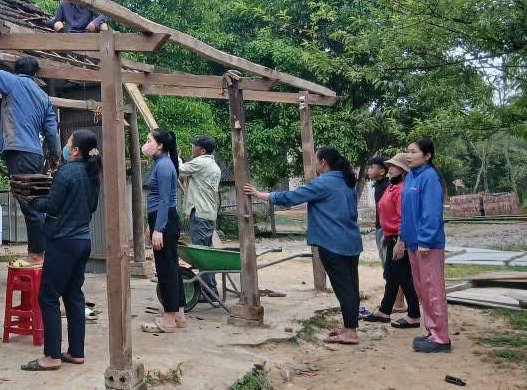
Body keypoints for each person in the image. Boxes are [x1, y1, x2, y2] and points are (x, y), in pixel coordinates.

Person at [245, 147, 363, 344]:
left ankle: (350, 333)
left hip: (332, 242)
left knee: (343, 288)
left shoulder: (323, 182)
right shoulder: (346, 181)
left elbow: (291, 197)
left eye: (316, 161)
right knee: (351, 285)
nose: (315, 165)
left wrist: (260, 194)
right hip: (351, 240)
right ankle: (349, 326)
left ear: (323, 163)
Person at [0, 50, 60, 264]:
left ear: (17, 70)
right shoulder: (44, 97)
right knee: (35, 201)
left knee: (28, 203)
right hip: (35, 154)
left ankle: (37, 254)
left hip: (19, 151)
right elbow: (52, 132)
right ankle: (41, 251)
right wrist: (54, 157)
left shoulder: (14, 82)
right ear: (35, 74)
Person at [21, 129, 101, 371]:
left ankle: (52, 356)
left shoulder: (66, 172)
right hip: (82, 241)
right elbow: (92, 206)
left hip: (62, 242)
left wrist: (32, 201)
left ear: (75, 150)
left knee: (47, 296)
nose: (65, 146)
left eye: (68, 143)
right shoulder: (92, 172)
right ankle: (76, 352)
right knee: (74, 295)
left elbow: (53, 206)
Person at [400, 138, 451, 353]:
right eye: (407, 151)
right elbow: (405, 212)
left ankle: (441, 338)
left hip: (427, 245)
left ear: (427, 155)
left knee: (433, 290)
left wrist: (426, 240)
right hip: (413, 243)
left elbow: (431, 213)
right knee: (422, 290)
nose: (408, 155)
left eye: (413, 152)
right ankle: (432, 332)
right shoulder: (410, 176)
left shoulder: (429, 177)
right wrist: (402, 238)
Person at [361, 153, 421, 328]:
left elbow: (405, 218)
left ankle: (414, 314)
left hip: (398, 237)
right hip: (390, 236)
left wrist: (400, 242)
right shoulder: (391, 187)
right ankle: (385, 310)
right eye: (390, 165)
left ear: (404, 170)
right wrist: (386, 237)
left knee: (404, 277)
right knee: (392, 276)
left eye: (395, 166)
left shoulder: (402, 190)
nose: (390, 168)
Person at [141, 128, 186, 333]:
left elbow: (165, 200)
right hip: (162, 219)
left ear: (160, 145)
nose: (145, 144)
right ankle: (179, 314)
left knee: (166, 270)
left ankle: (168, 320)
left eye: (149, 140)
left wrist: (158, 229)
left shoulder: (164, 166)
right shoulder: (161, 163)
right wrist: (150, 226)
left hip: (164, 220)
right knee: (172, 267)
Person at [179, 135, 222, 297]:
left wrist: (175, 157)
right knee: (207, 253)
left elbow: (180, 170)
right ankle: (210, 289)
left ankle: (209, 291)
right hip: (208, 214)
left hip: (200, 215)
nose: (192, 147)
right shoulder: (213, 165)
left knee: (202, 254)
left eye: (194, 145)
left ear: (202, 151)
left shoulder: (201, 162)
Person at [45, 0, 109, 33]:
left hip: (87, 32)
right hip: (68, 33)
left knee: (103, 26)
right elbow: (56, 20)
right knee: (57, 24)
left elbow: (103, 15)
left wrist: (94, 23)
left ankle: (105, 44)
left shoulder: (87, 1)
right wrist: (44, 21)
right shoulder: (64, 4)